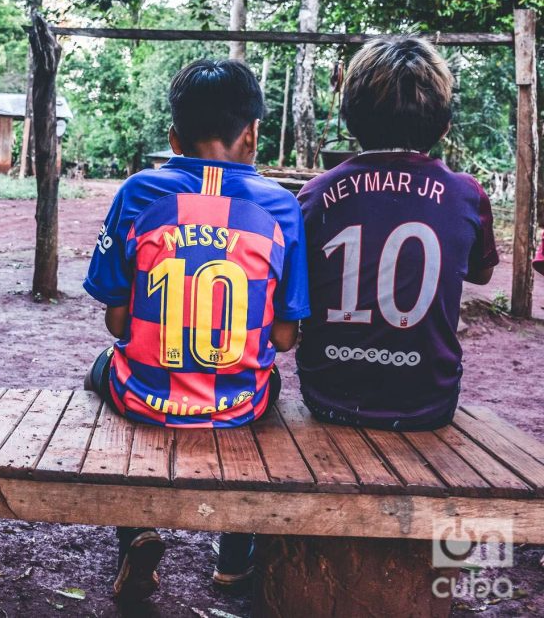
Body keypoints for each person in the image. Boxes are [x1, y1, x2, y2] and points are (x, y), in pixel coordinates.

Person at [82, 60, 310, 603]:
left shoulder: (138, 194)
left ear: (173, 137)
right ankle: (234, 558)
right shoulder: (281, 206)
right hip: (238, 404)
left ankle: (135, 533)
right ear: (252, 134)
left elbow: (116, 321)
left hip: (143, 397)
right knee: (270, 394)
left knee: (100, 372)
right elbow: (282, 340)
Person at [297, 36, 497, 432]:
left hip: (328, 397)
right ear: (444, 127)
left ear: (350, 122)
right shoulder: (466, 195)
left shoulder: (316, 195)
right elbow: (481, 274)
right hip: (428, 405)